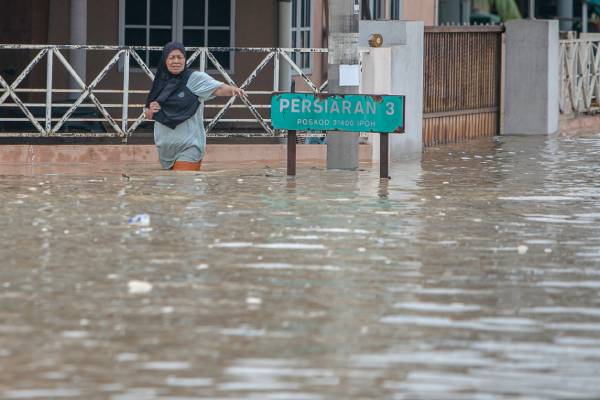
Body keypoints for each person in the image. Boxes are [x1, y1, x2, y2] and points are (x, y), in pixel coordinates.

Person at [144, 42, 244, 171]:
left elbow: (217, 88)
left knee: (184, 185)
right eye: (171, 57)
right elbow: (148, 114)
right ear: (165, 60)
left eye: (180, 57)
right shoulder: (160, 81)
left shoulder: (194, 78)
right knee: (169, 189)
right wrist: (150, 110)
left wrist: (234, 90)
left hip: (189, 145)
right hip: (165, 148)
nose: (176, 61)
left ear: (185, 59)